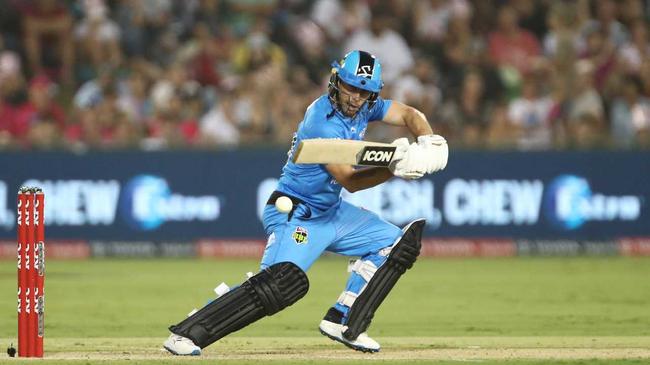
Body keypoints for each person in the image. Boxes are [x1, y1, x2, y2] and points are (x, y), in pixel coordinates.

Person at [163, 50, 448, 356]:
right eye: (351, 88)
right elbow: (349, 180)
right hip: (296, 214)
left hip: (331, 212)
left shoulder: (368, 105)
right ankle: (189, 332)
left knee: (396, 245)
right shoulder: (320, 121)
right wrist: (394, 169)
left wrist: (427, 142)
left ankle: (345, 320)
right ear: (335, 81)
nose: (356, 98)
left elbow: (409, 115)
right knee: (278, 284)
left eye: (364, 92)